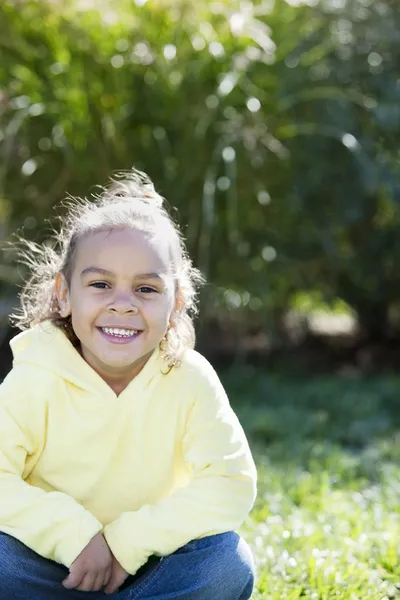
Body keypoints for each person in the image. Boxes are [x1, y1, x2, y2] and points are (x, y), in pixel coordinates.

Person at [0, 168, 257, 600]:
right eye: (100, 284)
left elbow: (230, 483)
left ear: (175, 303)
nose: (123, 304)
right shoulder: (35, 375)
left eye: (146, 289)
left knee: (227, 565)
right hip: (50, 565)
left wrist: (123, 545)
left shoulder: (189, 378)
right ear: (64, 294)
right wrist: (76, 538)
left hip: (150, 568)